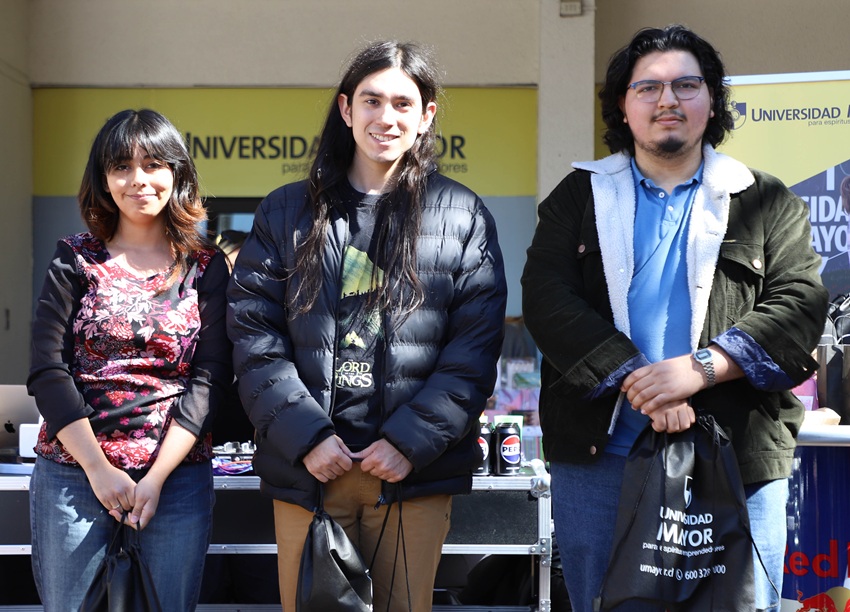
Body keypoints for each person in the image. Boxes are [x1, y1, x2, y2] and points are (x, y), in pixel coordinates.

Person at [521, 25, 828, 612]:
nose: (668, 100)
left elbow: (799, 307)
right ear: (623, 105)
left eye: (686, 85)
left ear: (712, 100)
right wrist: (644, 382)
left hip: (737, 457)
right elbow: (546, 299)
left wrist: (699, 369)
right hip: (601, 460)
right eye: (648, 88)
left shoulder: (764, 200)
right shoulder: (579, 196)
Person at [227, 40, 507, 611]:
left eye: (403, 104)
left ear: (426, 116)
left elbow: (473, 350)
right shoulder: (285, 211)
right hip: (309, 472)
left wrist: (408, 443)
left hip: (411, 476)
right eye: (372, 100)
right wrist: (307, 437)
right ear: (346, 108)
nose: (386, 117)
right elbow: (254, 338)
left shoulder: (462, 215)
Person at [27, 108, 231, 610]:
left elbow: (210, 378)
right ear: (103, 179)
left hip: (176, 479)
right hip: (74, 475)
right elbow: (48, 370)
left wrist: (156, 477)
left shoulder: (206, 267)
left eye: (153, 164)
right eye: (121, 166)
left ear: (177, 174)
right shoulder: (74, 258)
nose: (138, 179)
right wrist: (97, 469)